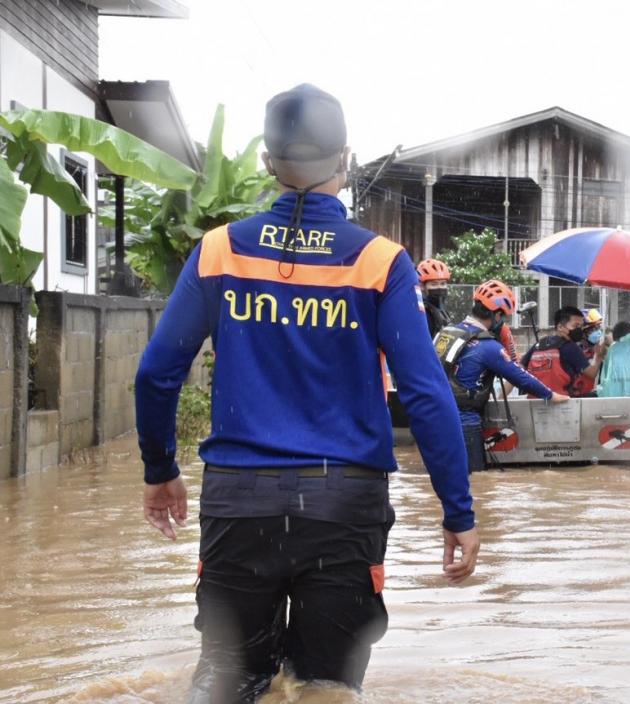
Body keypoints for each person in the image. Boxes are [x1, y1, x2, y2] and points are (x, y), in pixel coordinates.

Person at [134, 84, 478, 703]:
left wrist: (160, 470)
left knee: (228, 680)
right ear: (344, 159)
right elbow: (426, 394)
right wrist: (457, 511)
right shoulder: (379, 261)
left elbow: (157, 373)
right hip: (344, 504)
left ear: (268, 161)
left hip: (239, 500)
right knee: (326, 688)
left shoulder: (220, 251)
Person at [437, 279, 570, 472]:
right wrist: (550, 395)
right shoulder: (488, 346)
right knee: (476, 479)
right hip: (463, 422)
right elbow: (520, 377)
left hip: (435, 417)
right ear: (497, 314)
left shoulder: (448, 333)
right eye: (504, 318)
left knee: (443, 475)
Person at [521, 306, 600, 397]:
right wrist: (599, 355)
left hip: (535, 400)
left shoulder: (539, 344)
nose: (579, 330)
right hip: (560, 400)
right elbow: (591, 373)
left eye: (580, 327)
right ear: (560, 327)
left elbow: (519, 368)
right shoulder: (570, 347)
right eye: (575, 326)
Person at [417, 258, 452, 337]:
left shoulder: (442, 309)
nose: (439, 287)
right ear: (422, 286)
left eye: (443, 284)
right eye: (434, 284)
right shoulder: (422, 313)